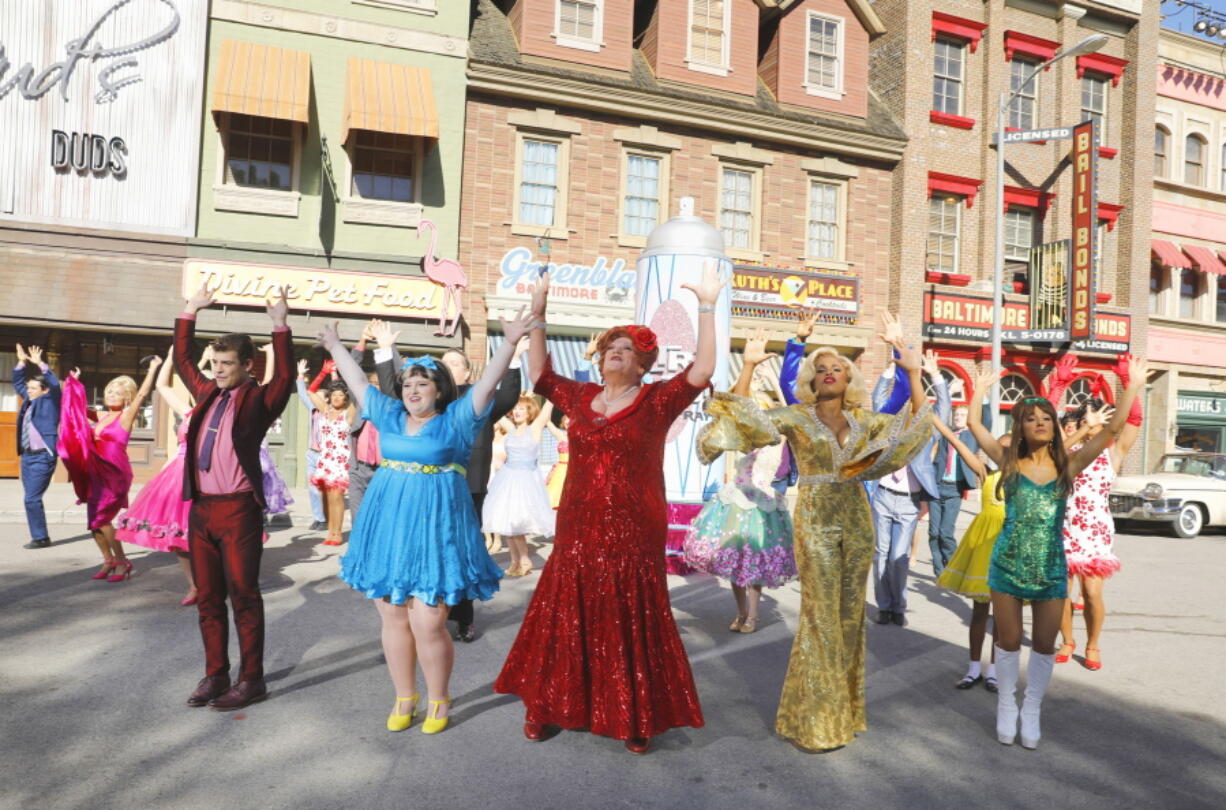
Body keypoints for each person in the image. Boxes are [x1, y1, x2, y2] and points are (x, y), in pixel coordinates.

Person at [495, 267, 720, 755]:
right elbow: (539, 374)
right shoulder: (578, 397)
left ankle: (635, 711)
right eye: (608, 349)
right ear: (599, 362)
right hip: (578, 526)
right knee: (567, 613)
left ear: (642, 364)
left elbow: (702, 370)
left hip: (635, 528)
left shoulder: (659, 401)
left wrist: (706, 304)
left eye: (625, 350)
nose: (614, 354)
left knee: (630, 618)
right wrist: (540, 310)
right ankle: (548, 705)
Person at [698, 311, 932, 752]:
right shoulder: (795, 416)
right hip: (815, 518)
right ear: (810, 378)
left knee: (848, 617)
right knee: (820, 616)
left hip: (858, 518)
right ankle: (815, 721)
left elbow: (915, 428)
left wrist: (913, 371)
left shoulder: (868, 421)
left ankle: (842, 712)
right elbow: (744, 422)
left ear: (850, 379)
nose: (829, 373)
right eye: (821, 368)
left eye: (838, 368)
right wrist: (748, 366)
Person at [318, 310, 529, 736]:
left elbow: (488, 383)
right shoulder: (389, 414)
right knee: (393, 618)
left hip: (437, 532)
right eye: (408, 384)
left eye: (423, 384)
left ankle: (438, 698)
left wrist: (508, 345)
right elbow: (358, 383)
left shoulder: (458, 419)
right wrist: (335, 346)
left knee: (428, 622)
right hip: (388, 528)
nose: (413, 390)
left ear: (439, 390)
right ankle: (403, 697)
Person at [966, 355, 1145, 749]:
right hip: (1007, 566)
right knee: (1009, 643)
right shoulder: (1008, 462)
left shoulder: (1070, 465)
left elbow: (1114, 427)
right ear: (1022, 427)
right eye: (1031, 418)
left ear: (1054, 424)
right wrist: (979, 389)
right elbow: (974, 426)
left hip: (1050, 568)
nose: (1040, 422)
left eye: (1046, 416)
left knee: (1045, 645)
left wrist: (1132, 385)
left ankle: (1031, 709)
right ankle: (1007, 708)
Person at [175, 284, 294, 712]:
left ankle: (251, 679)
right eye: (217, 363)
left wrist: (279, 324)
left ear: (247, 365)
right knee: (208, 598)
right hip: (202, 509)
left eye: (228, 364)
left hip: (238, 509)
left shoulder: (261, 400)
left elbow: (286, 377)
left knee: (243, 594)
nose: (219, 370)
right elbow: (183, 360)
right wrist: (190, 311)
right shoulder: (207, 393)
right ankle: (216, 674)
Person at [373, 325, 524, 643]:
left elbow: (508, 395)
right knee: (415, 552)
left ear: (467, 372)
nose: (450, 366)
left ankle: (462, 618)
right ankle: (418, 617)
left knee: (458, 555)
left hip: (465, 488)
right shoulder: (413, 404)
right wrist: (386, 350)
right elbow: (391, 390)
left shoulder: (475, 402)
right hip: (417, 493)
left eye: (457, 362)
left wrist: (513, 357)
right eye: (446, 361)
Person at [684, 352, 796, 634]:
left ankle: (754, 615)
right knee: (733, 561)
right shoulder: (744, 439)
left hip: (763, 506)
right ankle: (742, 611)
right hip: (736, 502)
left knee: (756, 562)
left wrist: (773, 380)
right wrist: (746, 372)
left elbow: (791, 412)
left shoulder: (778, 437)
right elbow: (733, 403)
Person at [1055, 355, 1143, 671]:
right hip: (1064, 526)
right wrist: (1060, 384)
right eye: (1083, 420)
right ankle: (1067, 640)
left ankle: (1093, 643)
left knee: (1091, 594)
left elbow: (1133, 421)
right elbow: (1046, 428)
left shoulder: (1113, 452)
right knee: (1059, 593)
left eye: (1097, 420)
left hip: (1095, 531)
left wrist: (1127, 382)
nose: (1090, 425)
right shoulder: (1068, 451)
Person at [58, 357, 160, 581]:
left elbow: (142, 395)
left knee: (103, 518)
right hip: (95, 474)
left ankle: (122, 561)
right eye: (109, 391)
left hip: (115, 475)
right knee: (94, 521)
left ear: (127, 398)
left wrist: (152, 369)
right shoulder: (101, 415)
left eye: (117, 392)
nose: (111, 394)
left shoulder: (127, 415)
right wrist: (72, 384)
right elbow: (74, 409)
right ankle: (108, 560)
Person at [870, 348, 949, 627]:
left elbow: (944, 411)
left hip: (908, 501)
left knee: (898, 557)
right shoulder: (888, 427)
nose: (908, 411)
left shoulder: (927, 431)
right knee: (880, 553)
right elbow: (878, 399)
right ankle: (885, 606)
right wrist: (891, 364)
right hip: (882, 495)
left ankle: (899, 607)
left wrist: (936, 375)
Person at [114, 350, 198, 604]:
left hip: (208, 478)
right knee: (177, 538)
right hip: (177, 479)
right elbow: (162, 385)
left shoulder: (227, 413)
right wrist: (172, 355)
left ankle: (214, 582)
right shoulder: (188, 412)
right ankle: (195, 586)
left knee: (207, 538)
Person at [933, 417, 1006, 692]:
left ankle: (995, 672)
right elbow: (956, 443)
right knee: (979, 612)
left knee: (1001, 616)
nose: (1002, 452)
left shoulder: (1025, 478)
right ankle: (974, 668)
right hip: (982, 547)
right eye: (1000, 447)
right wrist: (938, 423)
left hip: (1006, 546)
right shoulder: (986, 473)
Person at [483, 394, 556, 576]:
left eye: (521, 408)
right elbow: (496, 411)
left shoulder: (535, 428)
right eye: (515, 408)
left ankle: (525, 560)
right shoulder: (510, 428)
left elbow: (547, 409)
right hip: (507, 479)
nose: (517, 412)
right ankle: (515, 561)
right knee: (507, 523)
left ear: (529, 412)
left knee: (517, 525)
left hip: (525, 481)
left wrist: (552, 392)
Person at [13, 344, 61, 550]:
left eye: (33, 388)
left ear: (44, 391)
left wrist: (40, 364)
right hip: (27, 457)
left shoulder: (50, 400)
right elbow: (17, 382)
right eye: (29, 388)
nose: (28, 391)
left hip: (42, 456)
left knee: (31, 499)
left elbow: (54, 384)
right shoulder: (30, 401)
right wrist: (22, 362)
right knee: (31, 499)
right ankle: (40, 535)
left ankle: (41, 538)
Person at [930, 403, 980, 575]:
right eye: (956, 414)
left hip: (954, 489)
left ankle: (954, 570)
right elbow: (936, 416)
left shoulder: (972, 437)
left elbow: (985, 420)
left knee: (945, 533)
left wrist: (984, 397)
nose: (958, 417)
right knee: (934, 533)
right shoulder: (945, 433)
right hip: (936, 486)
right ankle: (939, 572)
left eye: (962, 415)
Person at [307, 381, 359, 546]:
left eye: (341, 395)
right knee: (327, 499)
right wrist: (323, 374)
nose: (337, 398)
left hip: (340, 460)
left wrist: (339, 374)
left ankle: (338, 534)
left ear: (345, 398)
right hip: (325, 460)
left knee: (337, 497)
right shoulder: (325, 410)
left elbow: (357, 396)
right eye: (334, 395)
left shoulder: (349, 413)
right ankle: (331, 532)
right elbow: (310, 392)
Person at [296, 360, 331, 531]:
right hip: (312, 453)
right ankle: (318, 518)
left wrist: (333, 374)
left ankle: (326, 519)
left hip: (326, 456)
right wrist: (301, 375)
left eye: (319, 397)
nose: (314, 398)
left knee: (326, 490)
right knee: (313, 489)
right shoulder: (313, 410)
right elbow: (303, 394)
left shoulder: (331, 412)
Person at [543, 415, 569, 510]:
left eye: (570, 419)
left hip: (574, 471)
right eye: (565, 419)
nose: (567, 421)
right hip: (560, 471)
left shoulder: (581, 437)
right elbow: (548, 423)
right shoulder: (561, 436)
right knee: (554, 500)